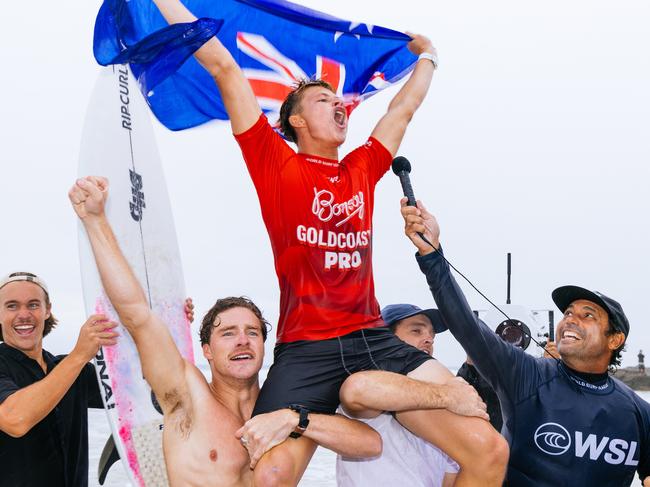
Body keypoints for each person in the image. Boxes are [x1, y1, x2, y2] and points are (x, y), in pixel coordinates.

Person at [151, 0, 509, 484]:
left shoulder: (360, 169)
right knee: (269, 473)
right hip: (305, 350)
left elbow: (403, 109)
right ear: (296, 120)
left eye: (339, 101)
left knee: (489, 448)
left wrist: (429, 57)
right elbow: (224, 67)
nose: (339, 104)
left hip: (372, 339)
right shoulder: (274, 161)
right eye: (323, 100)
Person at [69, 176, 384, 486]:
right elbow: (138, 315)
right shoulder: (187, 395)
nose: (242, 340)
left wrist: (296, 421)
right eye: (228, 333)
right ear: (207, 350)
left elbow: (371, 444)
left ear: (265, 344)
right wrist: (96, 221)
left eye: (252, 332)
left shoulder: (287, 404)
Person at [400, 197, 650, 486]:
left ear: (615, 340)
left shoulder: (638, 412)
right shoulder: (525, 375)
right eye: (568, 312)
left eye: (587, 315)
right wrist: (433, 256)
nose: (570, 319)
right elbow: (466, 326)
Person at [0, 272, 119, 487]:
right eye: (12, 306)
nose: (24, 314)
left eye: (33, 305)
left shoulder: (76, 372)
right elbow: (14, 419)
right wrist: (80, 354)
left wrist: (169, 322)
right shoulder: (74, 364)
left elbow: (138, 393)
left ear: (47, 311)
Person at [337, 303, 459, 487]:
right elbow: (358, 392)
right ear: (386, 338)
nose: (429, 339)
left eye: (431, 335)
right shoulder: (364, 382)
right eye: (416, 331)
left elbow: (451, 472)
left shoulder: (440, 399)